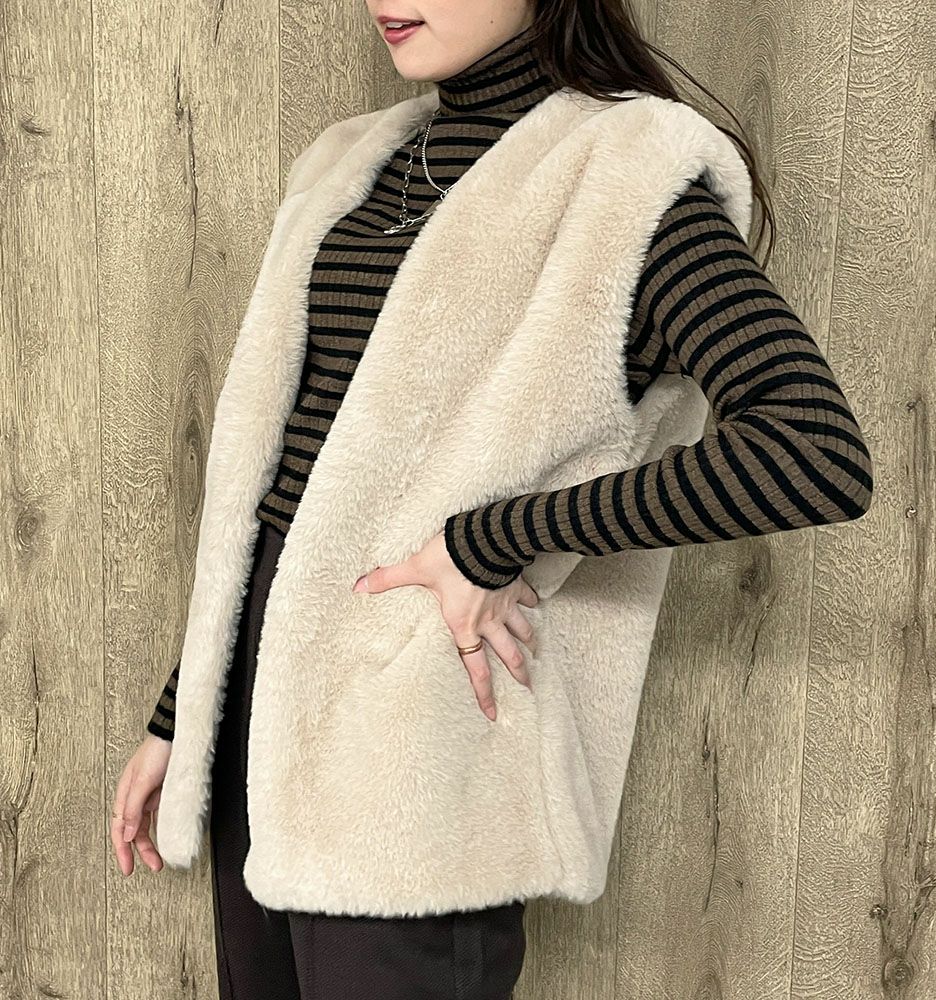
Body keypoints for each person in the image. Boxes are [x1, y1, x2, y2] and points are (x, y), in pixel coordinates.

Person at [110, 1, 873, 998]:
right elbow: (286, 473)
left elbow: (812, 450)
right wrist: (188, 706)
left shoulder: (625, 174)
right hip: (262, 701)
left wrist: (497, 540)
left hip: (419, 744)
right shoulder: (350, 165)